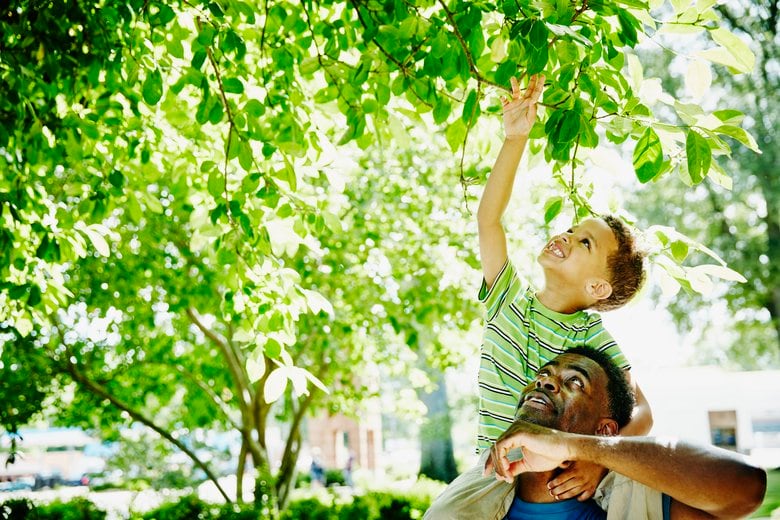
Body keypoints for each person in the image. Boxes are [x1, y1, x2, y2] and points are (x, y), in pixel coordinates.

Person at [475, 73, 652, 500]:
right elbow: (489, 220)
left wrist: (596, 459)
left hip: (559, 481)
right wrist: (515, 137)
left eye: (583, 242)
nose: (566, 237)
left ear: (598, 288)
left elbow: (643, 414)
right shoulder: (507, 299)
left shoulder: (591, 339)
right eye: (572, 229)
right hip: (490, 478)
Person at [425, 347, 767, 519]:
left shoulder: (633, 502)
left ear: (604, 430)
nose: (546, 381)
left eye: (574, 381)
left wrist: (574, 447)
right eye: (544, 374)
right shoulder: (471, 497)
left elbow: (747, 487)